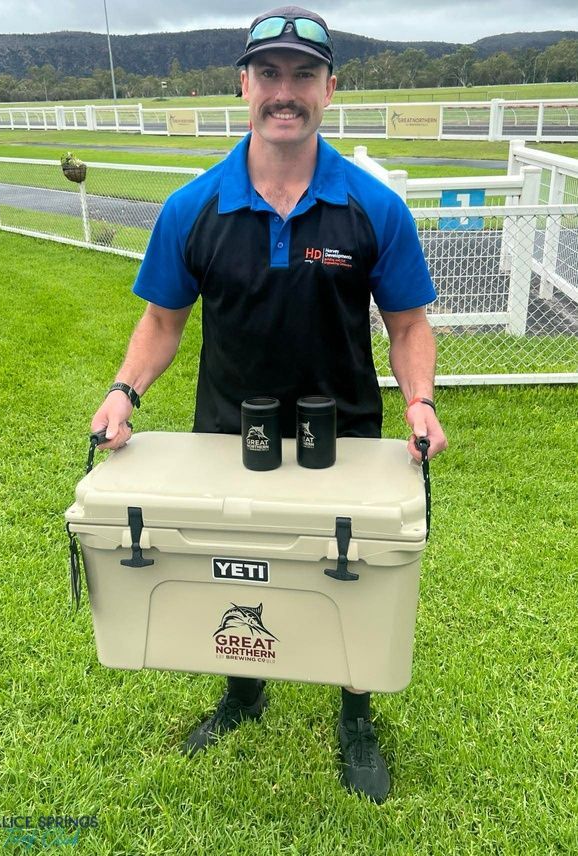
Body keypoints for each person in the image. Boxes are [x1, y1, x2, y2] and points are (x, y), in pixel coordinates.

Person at [91, 5, 448, 804]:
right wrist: (123, 392)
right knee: (235, 566)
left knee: (352, 569)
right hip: (229, 432)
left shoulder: (372, 207)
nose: (286, 91)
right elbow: (161, 321)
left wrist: (420, 402)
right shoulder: (194, 207)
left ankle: (356, 717)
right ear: (244, 85)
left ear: (330, 89)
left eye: (304, 75)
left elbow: (408, 323)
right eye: (270, 74)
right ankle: (242, 694)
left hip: (343, 434)